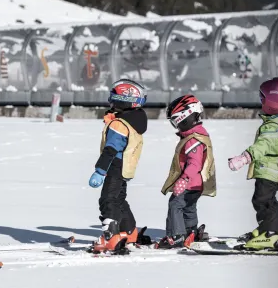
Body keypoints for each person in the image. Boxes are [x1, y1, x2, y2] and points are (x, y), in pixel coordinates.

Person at [228, 77, 278, 250]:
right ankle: (272, 228)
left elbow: (263, 145)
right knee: (268, 200)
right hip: (270, 170)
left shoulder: (274, 127)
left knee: (262, 200)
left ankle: (271, 233)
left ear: (275, 104)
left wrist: (244, 158)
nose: (261, 102)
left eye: (263, 99)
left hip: (268, 171)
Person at [88, 79, 148, 252]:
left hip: (115, 166)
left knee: (108, 200)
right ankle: (129, 232)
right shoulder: (134, 121)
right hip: (125, 167)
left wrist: (99, 171)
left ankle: (111, 237)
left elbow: (110, 150)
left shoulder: (119, 124)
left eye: (113, 98)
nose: (110, 101)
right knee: (119, 199)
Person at [158, 95, 216, 249]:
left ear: (186, 118)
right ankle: (191, 232)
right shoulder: (197, 134)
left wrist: (183, 180)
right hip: (196, 184)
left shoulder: (193, 139)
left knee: (175, 205)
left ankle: (177, 235)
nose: (176, 126)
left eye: (176, 122)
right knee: (189, 207)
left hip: (190, 182)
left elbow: (194, 163)